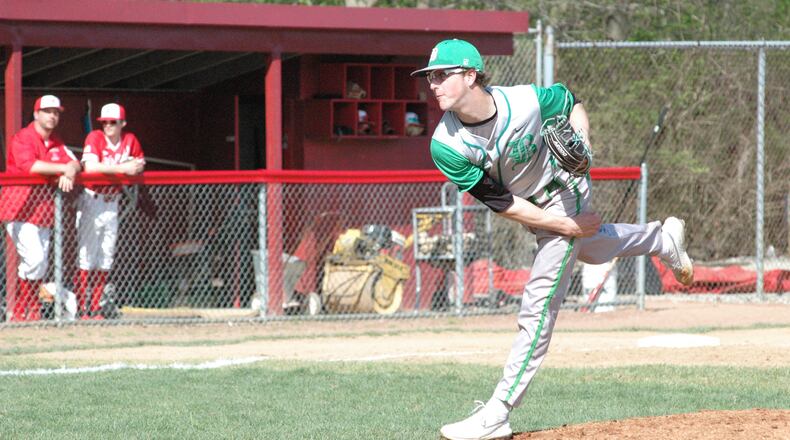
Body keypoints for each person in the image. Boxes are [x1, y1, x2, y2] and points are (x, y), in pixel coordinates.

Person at [411, 39, 694, 440]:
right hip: (532, 206)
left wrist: (583, 138)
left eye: (442, 75)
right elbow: (503, 202)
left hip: (565, 187)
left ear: (470, 75)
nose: (433, 83)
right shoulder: (447, 145)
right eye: (430, 77)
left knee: (539, 302)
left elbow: (572, 101)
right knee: (592, 249)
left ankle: (499, 412)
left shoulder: (524, 101)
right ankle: (662, 239)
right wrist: (562, 227)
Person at [0, 95, 81, 322]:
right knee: (34, 259)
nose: (52, 116)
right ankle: (22, 310)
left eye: (55, 112)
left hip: (44, 212)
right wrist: (63, 168)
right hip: (19, 209)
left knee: (41, 263)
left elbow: (76, 161)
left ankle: (29, 311)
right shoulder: (23, 137)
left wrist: (71, 169)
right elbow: (31, 167)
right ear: (36, 114)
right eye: (47, 111)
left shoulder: (56, 140)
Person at [75, 103, 145, 320]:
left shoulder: (129, 139)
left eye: (112, 122)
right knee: (87, 255)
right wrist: (122, 169)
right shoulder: (95, 137)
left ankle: (96, 306)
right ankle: (82, 307)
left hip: (112, 200)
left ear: (122, 123)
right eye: (104, 122)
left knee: (106, 255)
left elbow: (141, 163)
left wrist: (132, 167)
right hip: (92, 198)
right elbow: (91, 168)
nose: (108, 126)